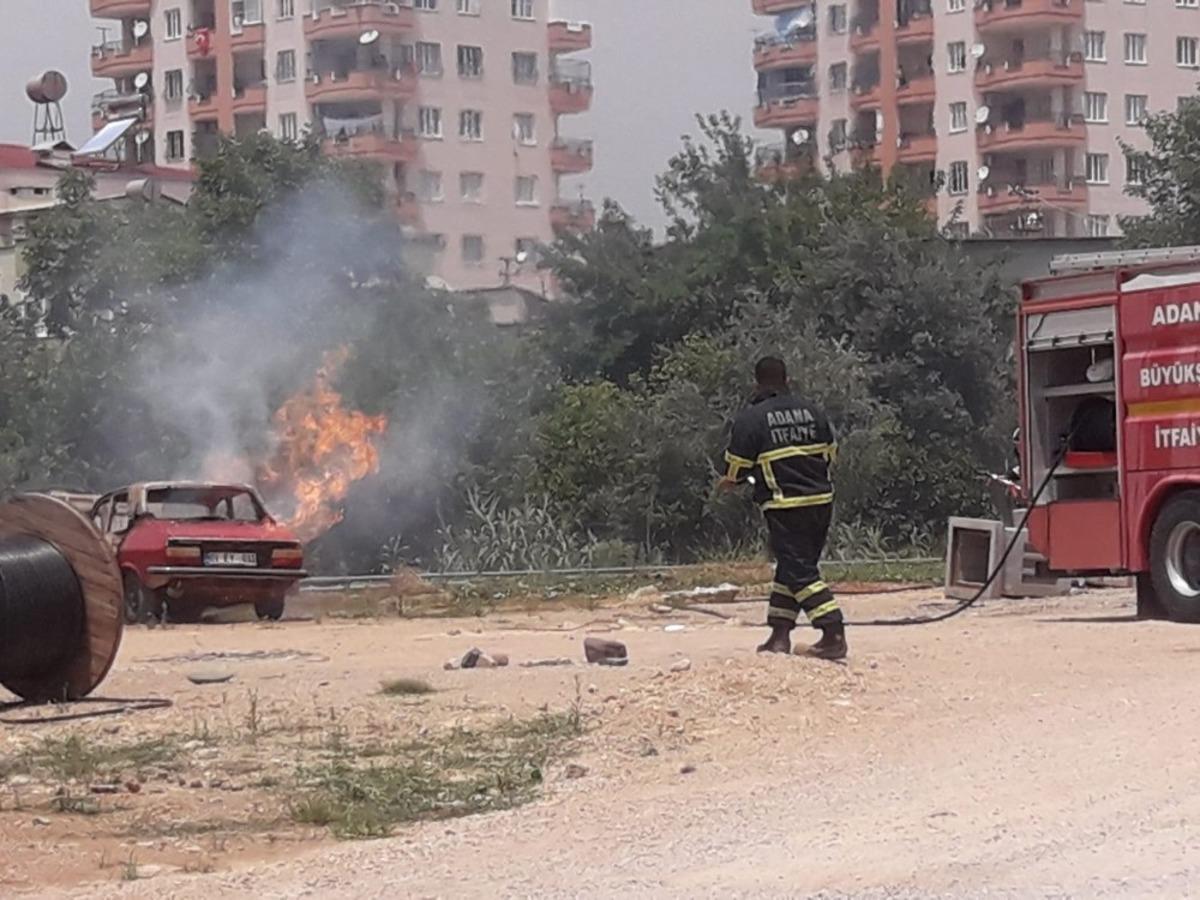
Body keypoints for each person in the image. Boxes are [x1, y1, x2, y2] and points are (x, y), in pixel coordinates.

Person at [719, 356, 847, 660]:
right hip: (821, 502)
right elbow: (831, 454)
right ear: (787, 380)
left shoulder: (752, 419)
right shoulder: (813, 411)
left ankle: (833, 632)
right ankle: (779, 634)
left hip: (785, 505)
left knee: (798, 570)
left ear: (756, 383)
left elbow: (735, 469)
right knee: (793, 568)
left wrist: (730, 482)